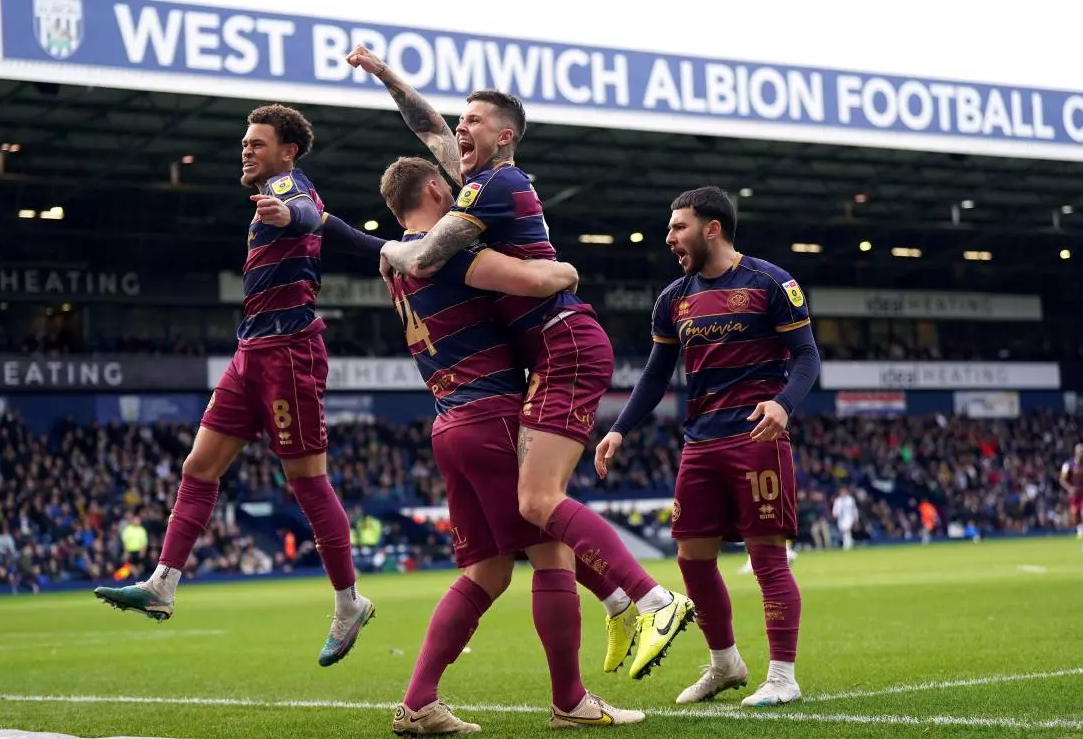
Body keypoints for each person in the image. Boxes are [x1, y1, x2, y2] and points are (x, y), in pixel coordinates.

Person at [347, 46, 693, 680]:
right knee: (539, 517)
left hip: (564, 343)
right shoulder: (478, 183)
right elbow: (426, 126)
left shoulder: (496, 184)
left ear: (504, 136)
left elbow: (425, 257)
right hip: (546, 354)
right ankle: (621, 605)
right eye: (460, 123)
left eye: (473, 122)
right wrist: (388, 77)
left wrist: (390, 249)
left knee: (538, 503)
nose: (459, 130)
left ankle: (652, 599)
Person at [360, 156, 643, 734]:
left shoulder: (397, 265)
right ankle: (571, 701)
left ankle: (418, 704)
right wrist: (565, 272)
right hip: (492, 415)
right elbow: (537, 280)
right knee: (551, 554)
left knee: (486, 573)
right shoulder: (449, 255)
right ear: (437, 190)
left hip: (448, 424)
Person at [93, 105, 374, 669]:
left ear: (287, 150)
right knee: (198, 467)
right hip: (252, 351)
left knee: (307, 481)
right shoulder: (283, 192)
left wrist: (286, 213)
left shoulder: (290, 188)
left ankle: (349, 603)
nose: (246, 150)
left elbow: (306, 214)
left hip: (289, 352)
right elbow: (332, 226)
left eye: (257, 143)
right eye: (244, 143)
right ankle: (163, 584)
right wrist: (389, 252)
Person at [594, 186, 821, 708]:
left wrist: (783, 403)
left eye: (678, 226)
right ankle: (725, 664)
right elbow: (655, 376)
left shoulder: (772, 282)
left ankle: (783, 676)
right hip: (699, 445)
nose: (670, 237)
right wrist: (619, 428)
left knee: (768, 562)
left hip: (757, 441)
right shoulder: (673, 299)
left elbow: (806, 356)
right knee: (693, 562)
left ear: (711, 228)